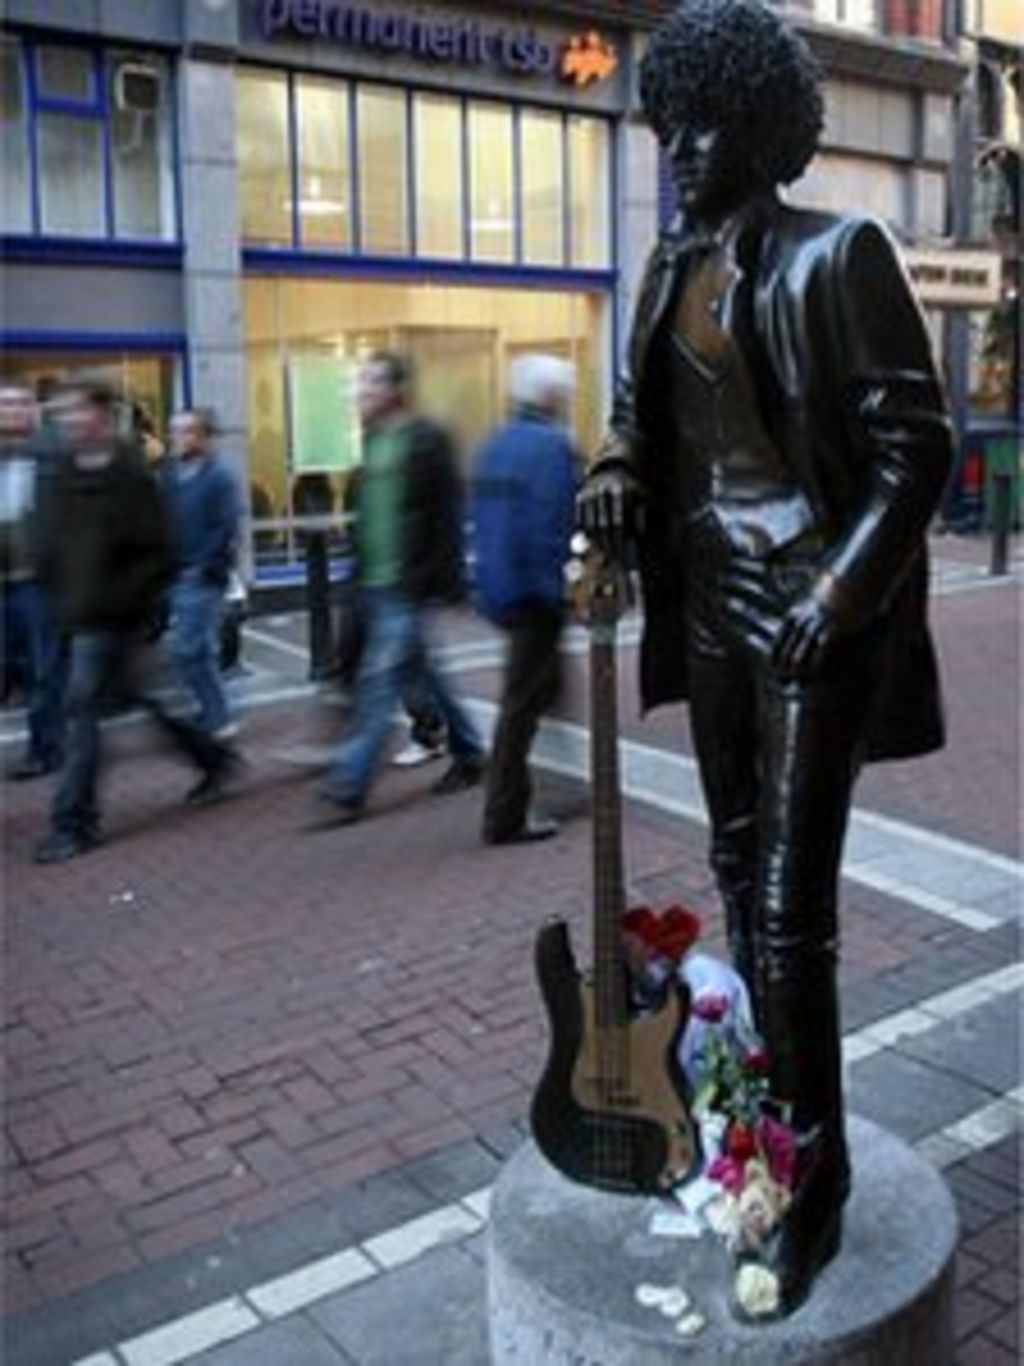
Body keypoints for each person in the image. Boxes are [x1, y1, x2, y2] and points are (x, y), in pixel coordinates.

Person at [577, 0, 952, 1320]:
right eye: (671, 121)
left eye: (708, 121)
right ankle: (770, 1133)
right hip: (713, 610)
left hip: (809, 608)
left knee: (791, 911)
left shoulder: (840, 254)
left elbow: (919, 451)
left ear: (764, 127)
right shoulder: (666, 268)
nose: (682, 145)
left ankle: (813, 1182)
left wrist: (844, 591)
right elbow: (636, 420)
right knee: (738, 878)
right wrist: (616, 475)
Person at [33, 378, 238, 863]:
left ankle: (74, 822)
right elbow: (50, 543)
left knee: (83, 713)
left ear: (103, 415)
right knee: (144, 701)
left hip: (119, 617)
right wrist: (57, 598)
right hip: (78, 613)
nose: (69, 420)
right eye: (63, 413)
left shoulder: (132, 472)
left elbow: (158, 550)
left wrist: (139, 605)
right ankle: (212, 759)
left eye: (78, 411)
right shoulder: (58, 470)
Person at [320, 353, 485, 823]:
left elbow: (446, 518)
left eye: (371, 383)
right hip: (373, 583)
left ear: (396, 389)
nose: (361, 392)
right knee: (423, 675)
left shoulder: (426, 440)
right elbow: (371, 513)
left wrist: (448, 583)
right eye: (360, 383)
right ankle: (471, 752)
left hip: (405, 584)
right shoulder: (373, 439)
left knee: (378, 682)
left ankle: (348, 785)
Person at [471, 355, 578, 844]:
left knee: (541, 688)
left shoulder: (496, 443)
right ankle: (505, 814)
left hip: (502, 589)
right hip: (535, 594)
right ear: (551, 397)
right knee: (521, 705)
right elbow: (549, 528)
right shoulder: (552, 447)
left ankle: (558, 783)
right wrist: (561, 593)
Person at [165, 407, 242, 749]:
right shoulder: (171, 476)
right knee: (198, 652)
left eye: (186, 431)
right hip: (175, 576)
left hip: (203, 578)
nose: (178, 438)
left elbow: (226, 527)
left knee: (186, 649)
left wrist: (202, 565)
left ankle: (219, 715)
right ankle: (217, 713)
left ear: (204, 437)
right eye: (175, 431)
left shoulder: (219, 477)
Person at [0, 379, 64, 778]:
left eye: (22, 403)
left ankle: (46, 750)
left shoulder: (52, 455)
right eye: (5, 404)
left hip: (39, 583)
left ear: (35, 410)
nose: (13, 411)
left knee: (45, 671)